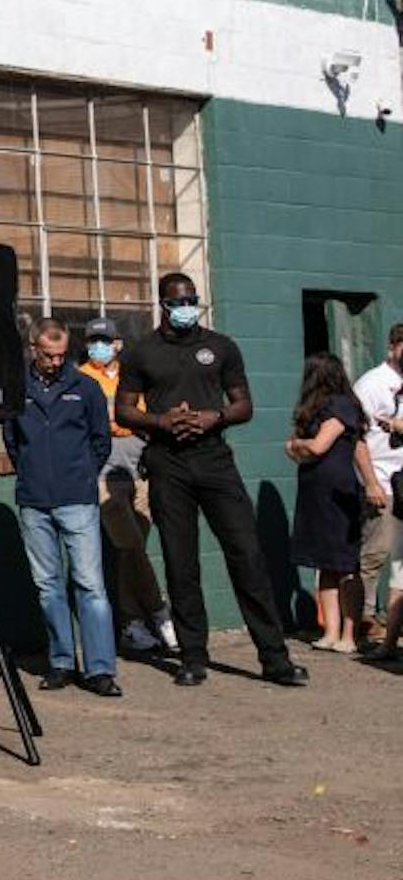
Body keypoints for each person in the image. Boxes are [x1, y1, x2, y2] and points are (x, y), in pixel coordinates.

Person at [116, 273, 307, 688]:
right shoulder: (141, 352)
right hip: (168, 463)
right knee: (181, 563)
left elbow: (244, 405)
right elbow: (124, 411)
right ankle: (192, 657)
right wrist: (161, 421)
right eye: (178, 301)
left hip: (216, 461)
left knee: (247, 556)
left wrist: (213, 417)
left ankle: (275, 659)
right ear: (162, 304)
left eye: (192, 300)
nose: (187, 307)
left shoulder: (221, 346)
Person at [6, 320, 119, 696]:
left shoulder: (84, 388)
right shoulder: (16, 390)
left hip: (77, 499)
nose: (56, 362)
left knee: (90, 584)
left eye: (61, 354)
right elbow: (12, 441)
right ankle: (61, 663)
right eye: (48, 355)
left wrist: (84, 475)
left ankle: (100, 669)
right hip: (34, 501)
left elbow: (101, 440)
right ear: (32, 349)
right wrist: (28, 472)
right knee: (48, 586)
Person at [78, 318, 176, 654]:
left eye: (105, 339)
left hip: (139, 470)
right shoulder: (81, 378)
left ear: (118, 343)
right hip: (104, 474)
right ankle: (161, 612)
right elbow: (110, 422)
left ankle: (132, 625)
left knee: (129, 552)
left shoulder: (131, 376)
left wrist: (131, 423)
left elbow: (143, 418)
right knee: (130, 543)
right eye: (93, 340)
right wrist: (126, 422)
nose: (99, 346)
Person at [285, 353, 384, 653]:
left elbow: (317, 446)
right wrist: (297, 447)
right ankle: (331, 631)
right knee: (325, 565)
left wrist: (297, 444)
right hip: (317, 493)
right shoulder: (318, 409)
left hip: (337, 493)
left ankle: (349, 635)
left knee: (345, 565)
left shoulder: (340, 406)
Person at [352, 326, 403, 653]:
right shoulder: (371, 384)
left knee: (398, 563)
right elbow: (356, 438)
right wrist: (370, 482)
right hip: (383, 481)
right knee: (376, 555)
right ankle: (364, 619)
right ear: (394, 347)